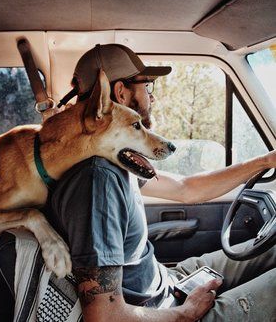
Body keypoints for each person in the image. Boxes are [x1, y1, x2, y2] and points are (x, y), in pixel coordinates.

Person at [49, 43, 276, 322]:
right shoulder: (98, 179)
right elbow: (104, 316)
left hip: (168, 283)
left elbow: (185, 189)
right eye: (148, 86)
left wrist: (266, 162)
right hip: (162, 311)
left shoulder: (112, 158)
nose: (151, 98)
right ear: (120, 92)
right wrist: (186, 313)